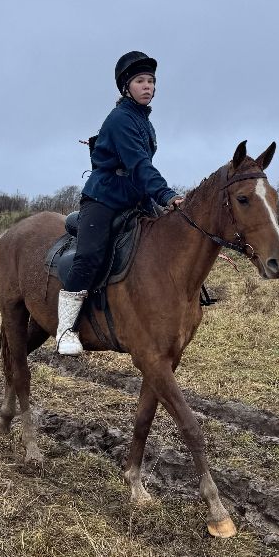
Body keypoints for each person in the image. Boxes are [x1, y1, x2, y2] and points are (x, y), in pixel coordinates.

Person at [55, 50, 185, 355]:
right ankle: (65, 329)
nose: (147, 86)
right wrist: (167, 195)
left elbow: (141, 169)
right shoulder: (121, 119)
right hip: (104, 197)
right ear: (126, 87)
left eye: (151, 81)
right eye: (140, 81)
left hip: (134, 197)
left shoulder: (143, 120)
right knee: (88, 255)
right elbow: (140, 164)